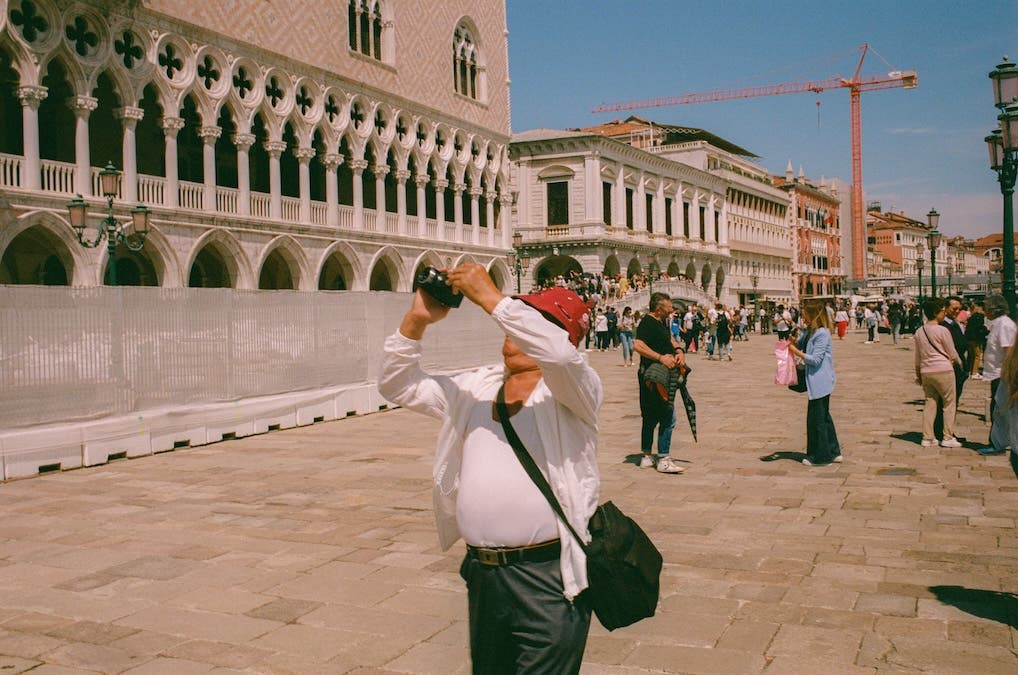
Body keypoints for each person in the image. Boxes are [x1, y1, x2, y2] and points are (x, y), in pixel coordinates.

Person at [378, 264, 600, 673]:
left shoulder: (574, 392)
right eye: (515, 319)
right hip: (484, 574)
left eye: (532, 321)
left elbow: (561, 356)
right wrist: (417, 319)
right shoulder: (477, 388)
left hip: (549, 578)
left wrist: (491, 297)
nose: (512, 330)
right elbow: (398, 385)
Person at [634, 292, 687, 474]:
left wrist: (679, 350)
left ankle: (647, 456)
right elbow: (638, 345)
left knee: (649, 416)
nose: (672, 309)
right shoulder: (647, 323)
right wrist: (660, 357)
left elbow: (669, 338)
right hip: (653, 376)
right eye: (668, 307)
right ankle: (663, 458)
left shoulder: (662, 322)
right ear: (658, 309)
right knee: (667, 415)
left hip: (658, 375)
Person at [786, 299, 841, 466]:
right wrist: (795, 340)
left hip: (820, 381)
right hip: (816, 381)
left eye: (805, 316)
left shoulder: (822, 334)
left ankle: (820, 455)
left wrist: (796, 352)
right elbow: (801, 344)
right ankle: (834, 451)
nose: (803, 319)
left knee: (816, 419)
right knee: (824, 417)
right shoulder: (811, 332)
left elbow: (815, 359)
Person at [913, 298, 964, 448]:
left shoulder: (919, 331)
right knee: (949, 403)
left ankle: (927, 437)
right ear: (936, 313)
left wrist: (918, 374)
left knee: (930, 403)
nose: (944, 313)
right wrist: (960, 363)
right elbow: (952, 352)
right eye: (942, 311)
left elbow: (917, 356)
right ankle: (947, 436)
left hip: (926, 371)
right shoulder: (942, 330)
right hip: (943, 369)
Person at [978, 294, 1017, 455]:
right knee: (999, 408)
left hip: (1003, 374)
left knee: (1000, 408)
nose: (984, 310)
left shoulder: (1005, 325)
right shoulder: (998, 324)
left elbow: (1009, 351)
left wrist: (1008, 374)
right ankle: (1000, 441)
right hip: (996, 373)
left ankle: (998, 443)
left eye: (986, 307)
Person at [934, 296, 969, 442]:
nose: (957, 311)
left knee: (952, 402)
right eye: (954, 308)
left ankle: (945, 430)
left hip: (959, 369)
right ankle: (943, 432)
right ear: (946, 308)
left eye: (959, 309)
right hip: (951, 368)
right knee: (947, 403)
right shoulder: (944, 326)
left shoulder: (954, 323)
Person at [966, 300, 987, 379]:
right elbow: (979, 329)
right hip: (975, 339)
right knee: (977, 356)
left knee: (971, 356)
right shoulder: (979, 317)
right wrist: (986, 330)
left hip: (969, 338)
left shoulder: (972, 317)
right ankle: (975, 372)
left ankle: (970, 371)